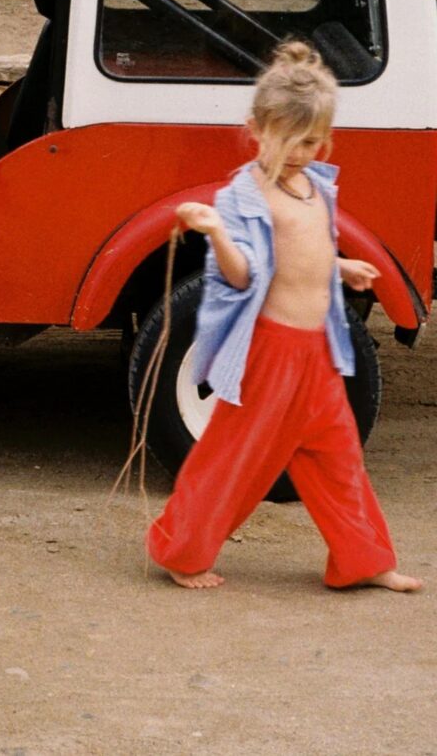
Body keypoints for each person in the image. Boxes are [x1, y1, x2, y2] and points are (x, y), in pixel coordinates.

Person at [146, 41, 422, 593]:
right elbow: (245, 274)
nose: (300, 152)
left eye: (313, 141)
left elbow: (305, 251)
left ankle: (361, 561)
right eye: (288, 139)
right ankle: (182, 551)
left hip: (317, 350)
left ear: (327, 138)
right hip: (268, 353)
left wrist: (340, 267)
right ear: (255, 128)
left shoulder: (316, 185)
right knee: (234, 456)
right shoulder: (243, 197)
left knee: (337, 455)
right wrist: (218, 233)